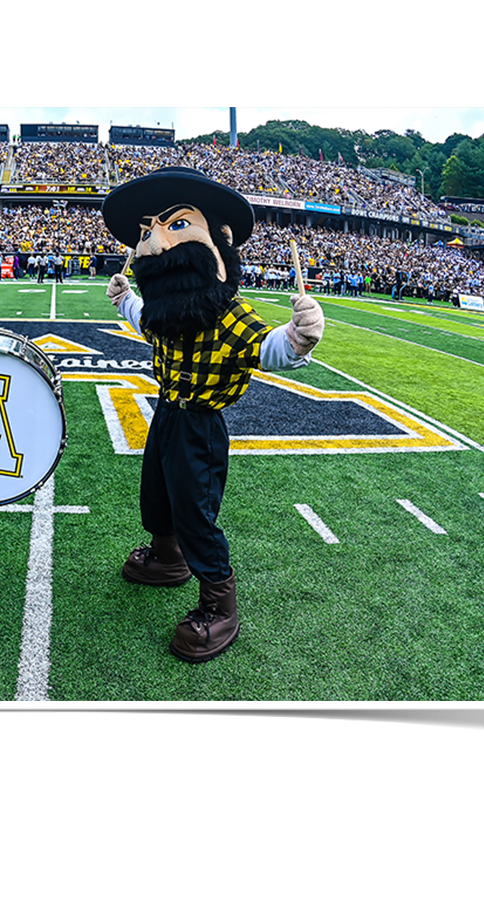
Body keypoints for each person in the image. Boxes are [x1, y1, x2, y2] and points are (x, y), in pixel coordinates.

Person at [102, 166, 325, 663]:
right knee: (156, 493)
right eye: (149, 231)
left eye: (176, 225)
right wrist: (125, 299)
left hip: (200, 423)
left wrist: (300, 336)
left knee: (195, 512)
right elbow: (142, 316)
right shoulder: (166, 311)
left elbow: (269, 349)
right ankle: (166, 555)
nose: (155, 241)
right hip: (167, 411)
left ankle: (219, 604)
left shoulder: (229, 314)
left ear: (220, 242)